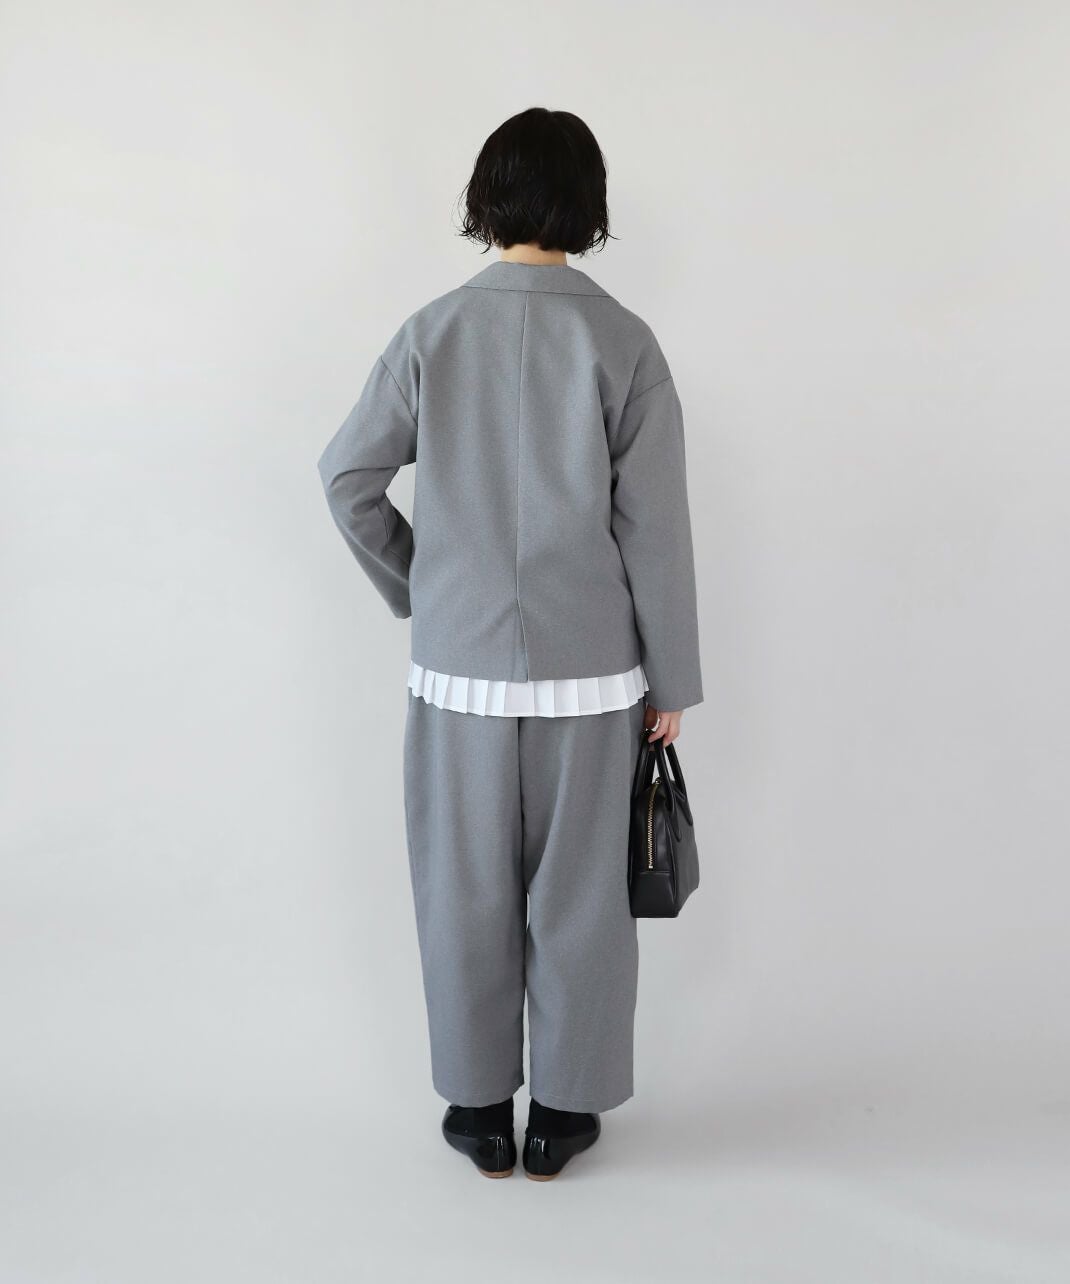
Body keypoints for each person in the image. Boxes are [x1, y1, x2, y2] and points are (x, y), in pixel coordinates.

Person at [317, 107, 703, 1180]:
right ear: (589, 206)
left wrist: (424, 587)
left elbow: (346, 480)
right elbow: (656, 530)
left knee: (462, 894)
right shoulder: (625, 342)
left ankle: (480, 1109)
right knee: (581, 902)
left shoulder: (430, 332)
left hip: (459, 677)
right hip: (594, 680)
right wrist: (671, 680)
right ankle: (563, 1116)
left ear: (485, 199)